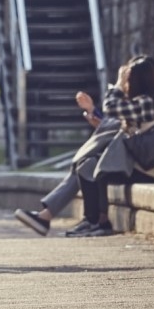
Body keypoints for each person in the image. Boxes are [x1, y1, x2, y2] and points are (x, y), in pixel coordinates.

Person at [70, 55, 154, 237]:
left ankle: (98, 222)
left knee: (95, 167)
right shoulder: (146, 101)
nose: (127, 83)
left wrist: (118, 84)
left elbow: (110, 107)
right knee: (90, 165)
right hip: (140, 164)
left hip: (147, 169)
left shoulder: (147, 103)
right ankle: (95, 220)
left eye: (129, 78)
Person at [14, 90, 104, 236]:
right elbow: (113, 125)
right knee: (84, 164)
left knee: (87, 165)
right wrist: (92, 111)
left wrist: (93, 111)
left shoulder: (139, 102)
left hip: (132, 159)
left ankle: (90, 220)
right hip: (118, 155)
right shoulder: (129, 100)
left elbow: (117, 126)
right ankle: (47, 216)